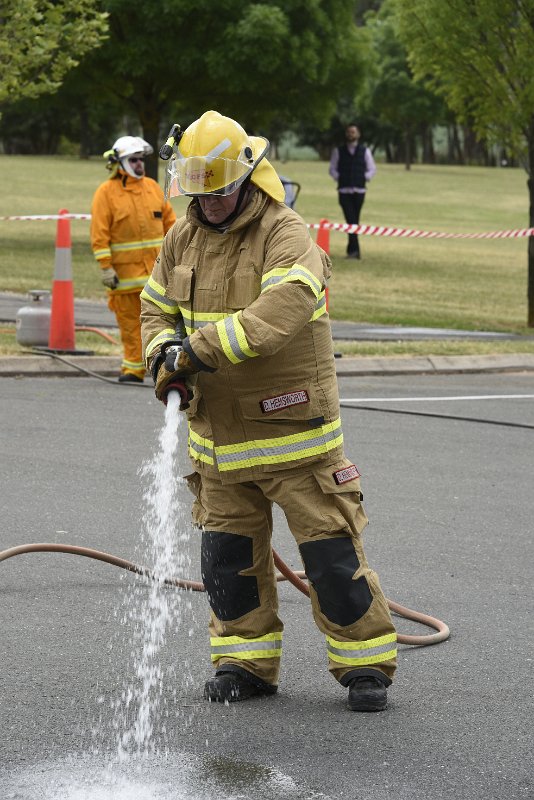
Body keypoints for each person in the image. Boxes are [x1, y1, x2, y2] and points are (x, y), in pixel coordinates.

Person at [140, 110, 397, 712]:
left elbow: (277, 316)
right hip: (217, 444)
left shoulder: (287, 234)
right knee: (228, 564)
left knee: (331, 557)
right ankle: (244, 663)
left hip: (294, 434)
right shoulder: (183, 235)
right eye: (198, 193)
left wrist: (193, 352)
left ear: (246, 178)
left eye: (219, 192)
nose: (209, 205)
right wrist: (160, 357)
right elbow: (155, 310)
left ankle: (365, 667)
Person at [91, 136, 176, 382]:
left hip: (157, 278)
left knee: (162, 325)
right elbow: (99, 233)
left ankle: (160, 369)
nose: (140, 164)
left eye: (141, 159)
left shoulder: (152, 188)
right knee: (130, 327)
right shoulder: (106, 193)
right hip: (125, 279)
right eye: (134, 160)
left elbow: (172, 228)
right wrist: (106, 268)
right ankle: (133, 370)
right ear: (120, 162)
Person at [329, 123, 376, 260]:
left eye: (353, 132)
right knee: (351, 220)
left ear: (358, 134)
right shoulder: (339, 151)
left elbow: (372, 169)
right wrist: (340, 178)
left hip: (359, 190)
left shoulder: (365, 151)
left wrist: (364, 178)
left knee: (354, 221)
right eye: (349, 132)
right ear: (346, 134)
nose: (351, 134)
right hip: (344, 191)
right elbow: (332, 168)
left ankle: (353, 250)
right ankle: (354, 251)